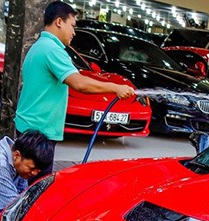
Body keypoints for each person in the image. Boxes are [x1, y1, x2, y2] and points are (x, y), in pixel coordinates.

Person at [15, 1, 135, 179]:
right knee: (36, 187)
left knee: (24, 183)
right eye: (72, 26)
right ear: (58, 22)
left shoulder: (38, 47)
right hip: (38, 132)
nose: (74, 32)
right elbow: (79, 83)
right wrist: (115, 88)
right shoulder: (52, 50)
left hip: (28, 126)